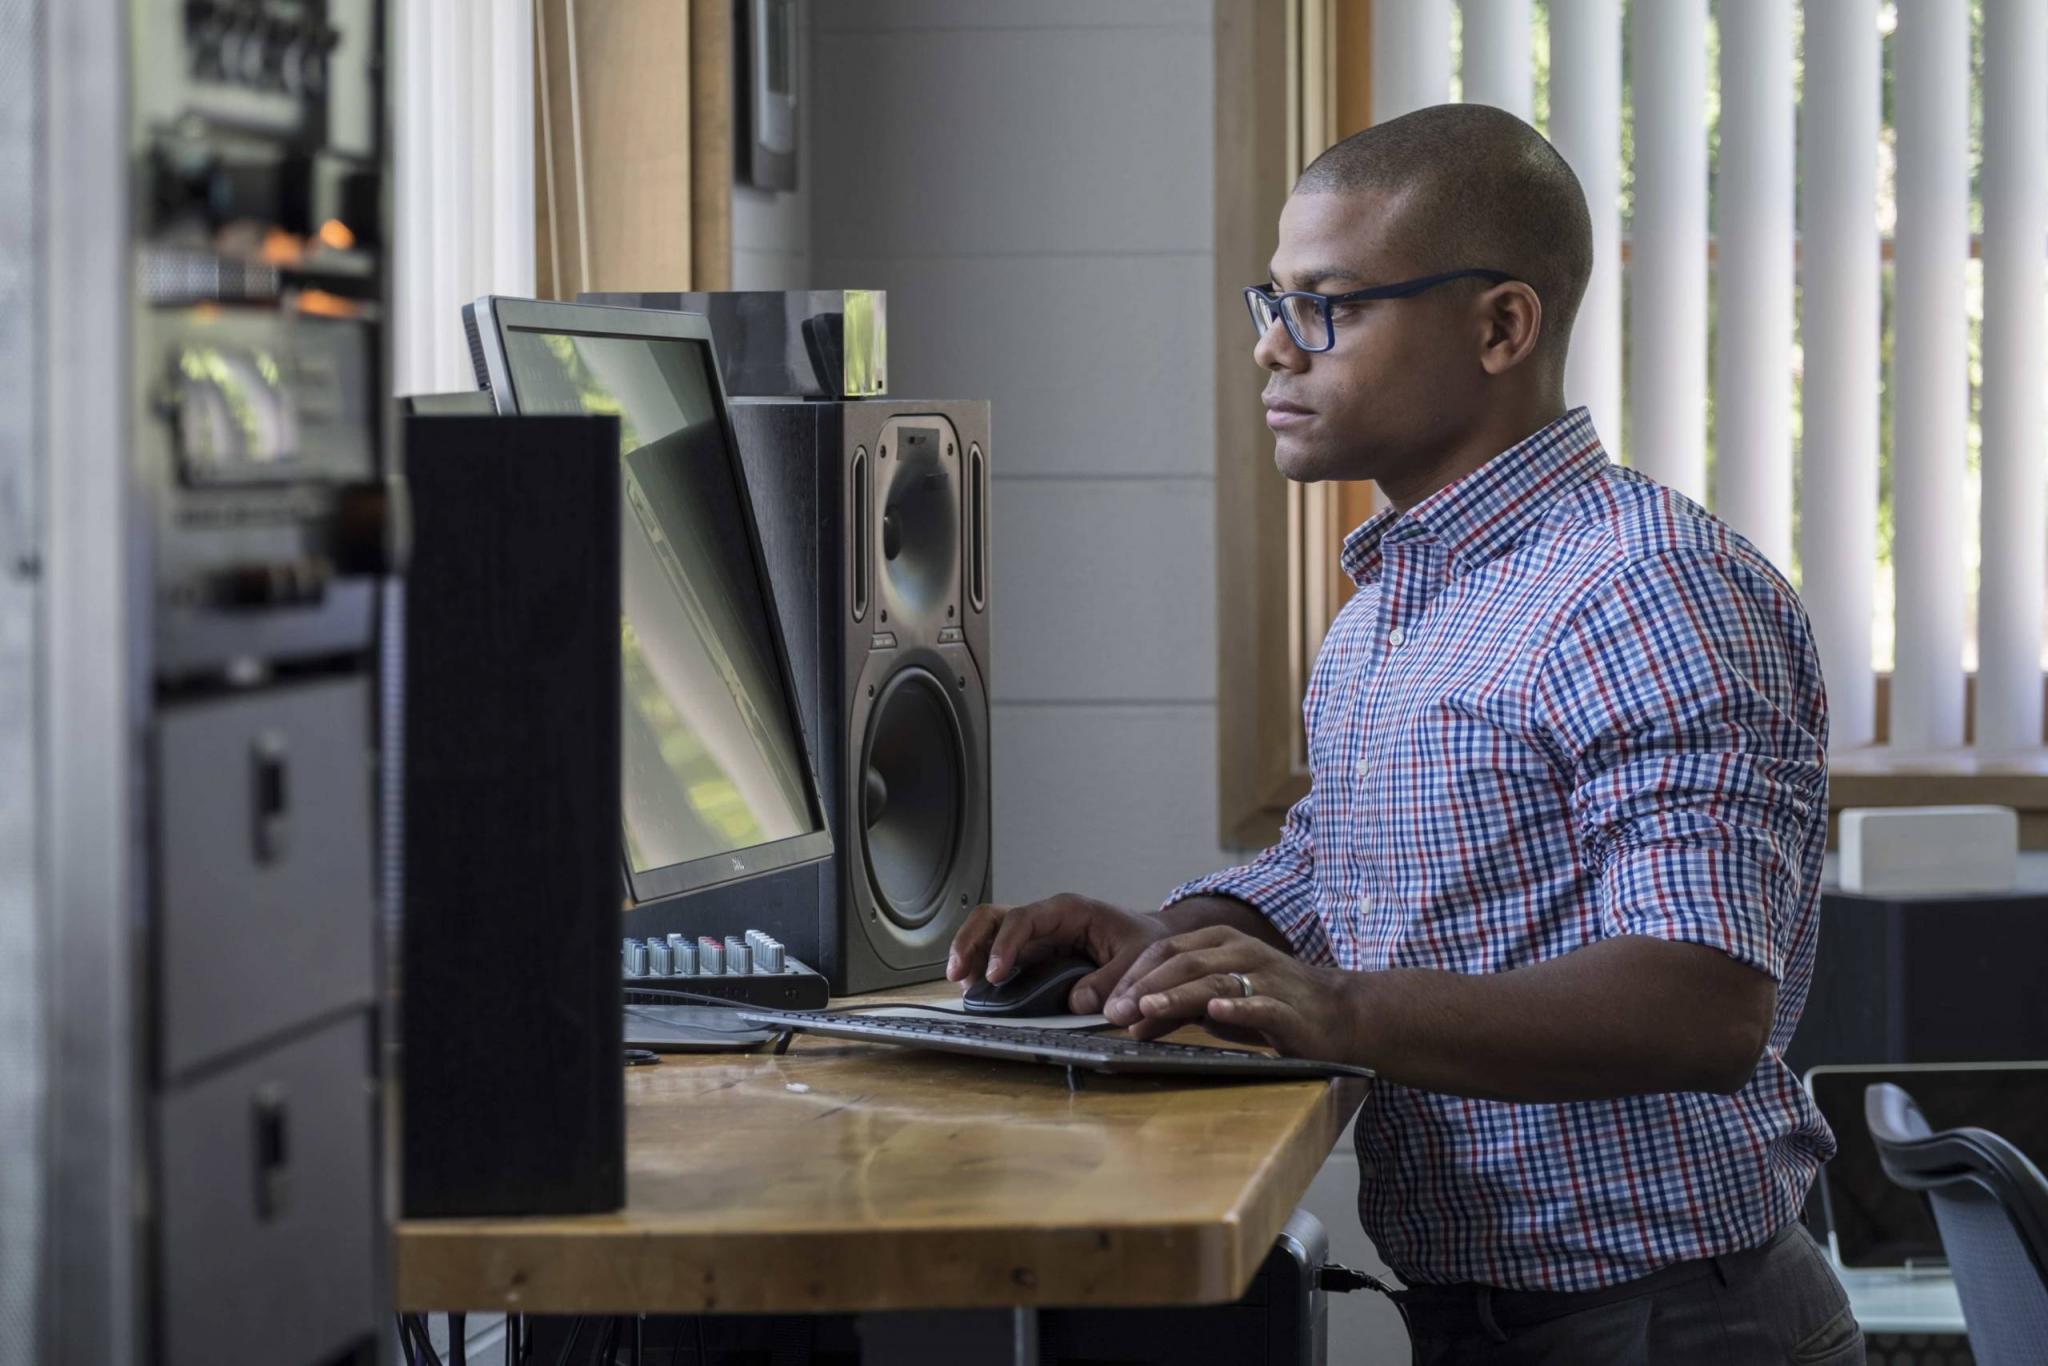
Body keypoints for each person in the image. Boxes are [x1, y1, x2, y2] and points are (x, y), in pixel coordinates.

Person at [946, 104, 1861, 1365]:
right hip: (1500, 1321)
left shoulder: (1648, 589)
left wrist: (1338, 1010)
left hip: (1668, 1327)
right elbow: (1353, 859)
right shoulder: (1401, 592)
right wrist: (1184, 939)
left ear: (1500, 326)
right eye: (1270, 300)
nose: (1272, 349)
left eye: (1327, 306)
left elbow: (1698, 1000)